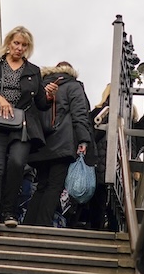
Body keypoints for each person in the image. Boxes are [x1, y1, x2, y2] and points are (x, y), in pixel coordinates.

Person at [0, 26, 54, 237]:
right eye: (16, 43)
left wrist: (49, 96)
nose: (19, 48)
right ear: (9, 43)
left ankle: (9, 211)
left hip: (21, 125)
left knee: (17, 164)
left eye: (24, 45)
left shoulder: (33, 70)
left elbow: (41, 103)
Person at [25, 61, 93, 227]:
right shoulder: (73, 85)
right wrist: (83, 139)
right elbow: (79, 113)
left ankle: (28, 223)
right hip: (62, 142)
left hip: (40, 141)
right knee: (55, 185)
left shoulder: (42, 84)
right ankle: (42, 225)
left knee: (42, 185)